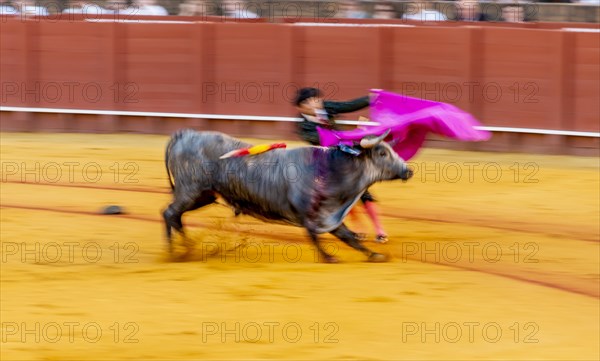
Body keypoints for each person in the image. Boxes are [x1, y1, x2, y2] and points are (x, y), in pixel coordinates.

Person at [294, 87, 389, 243]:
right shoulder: (303, 127)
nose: (315, 103)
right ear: (301, 107)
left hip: (348, 153)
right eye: (310, 102)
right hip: (327, 162)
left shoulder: (326, 107)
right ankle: (359, 228)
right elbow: (325, 140)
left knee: (363, 191)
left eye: (316, 99)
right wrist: (356, 133)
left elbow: (348, 105)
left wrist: (370, 99)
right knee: (344, 195)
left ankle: (379, 229)